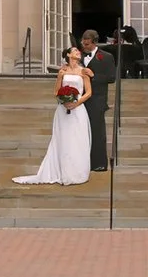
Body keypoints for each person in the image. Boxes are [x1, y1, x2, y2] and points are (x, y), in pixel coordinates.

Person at [13, 47, 94, 185]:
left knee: (78, 139)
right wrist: (64, 99)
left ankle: (77, 172)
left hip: (78, 109)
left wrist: (76, 103)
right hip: (63, 110)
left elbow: (88, 92)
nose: (78, 52)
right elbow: (56, 91)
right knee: (63, 139)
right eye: (75, 51)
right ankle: (61, 171)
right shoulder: (62, 71)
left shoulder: (83, 71)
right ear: (68, 55)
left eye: (78, 51)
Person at [79, 29, 118, 172]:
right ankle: (83, 162)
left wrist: (94, 76)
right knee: (81, 132)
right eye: (83, 44)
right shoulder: (79, 56)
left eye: (87, 44)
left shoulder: (106, 57)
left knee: (97, 132)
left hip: (97, 100)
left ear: (94, 43)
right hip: (80, 100)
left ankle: (99, 163)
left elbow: (111, 78)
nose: (85, 47)